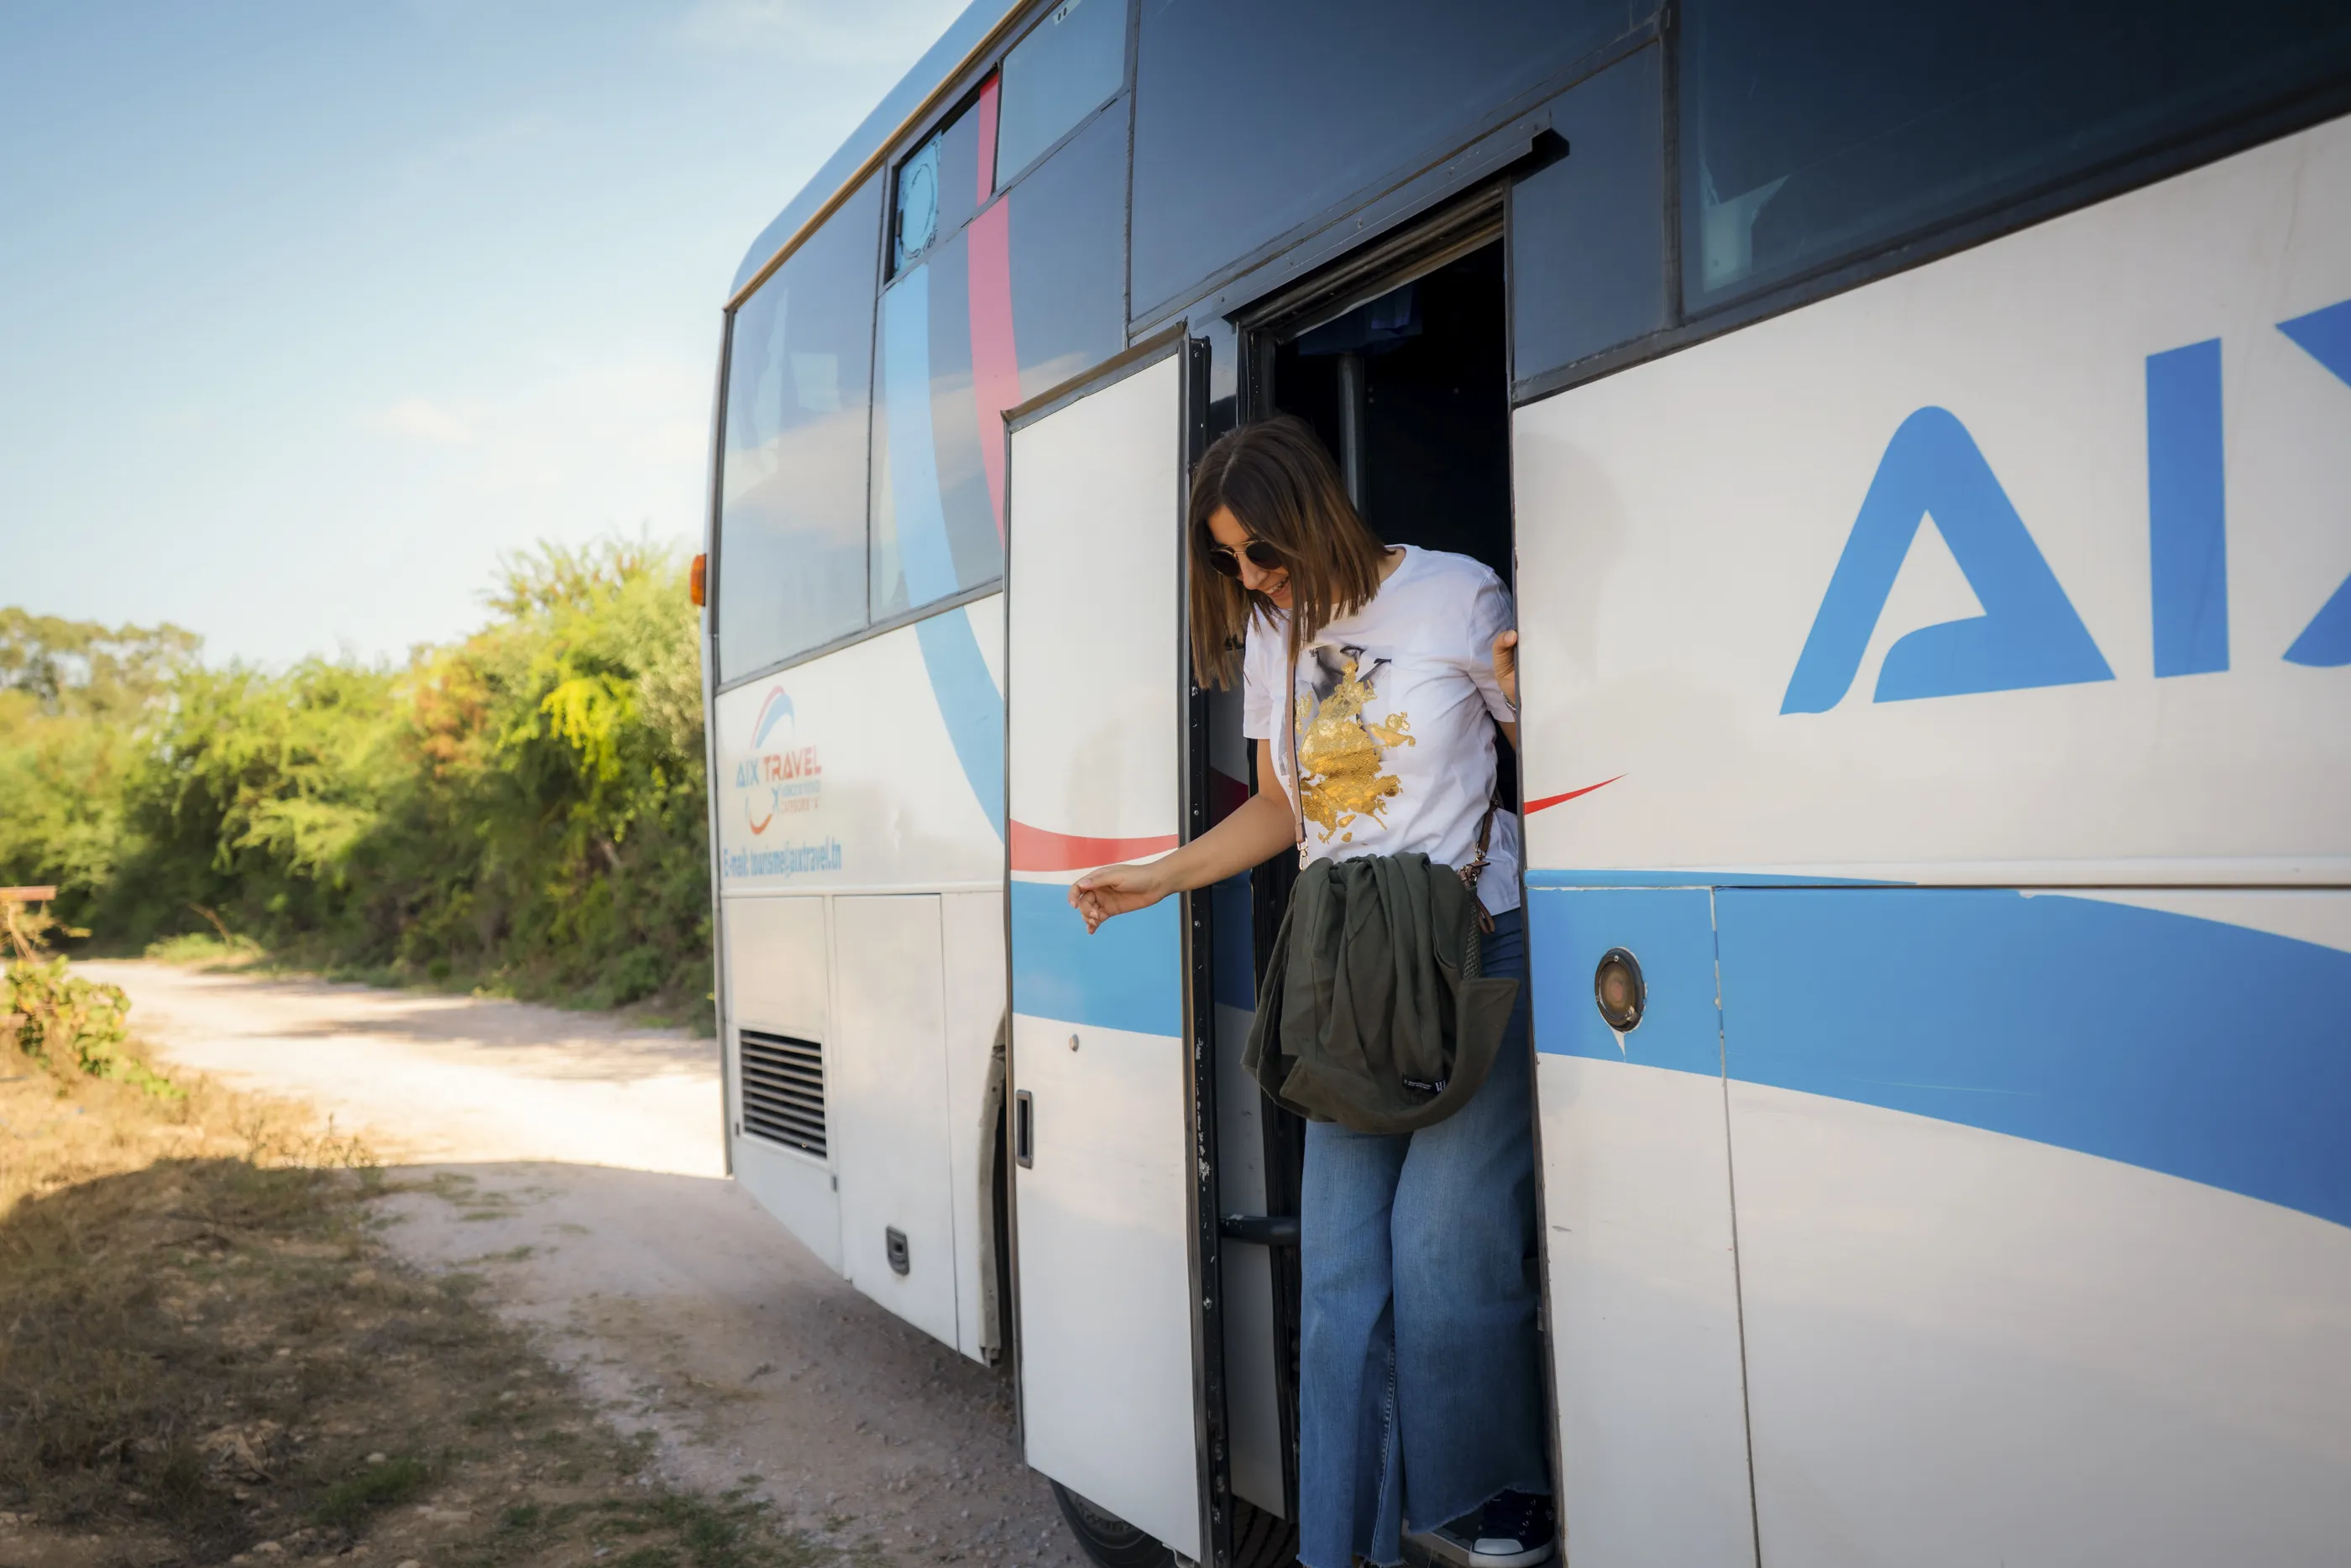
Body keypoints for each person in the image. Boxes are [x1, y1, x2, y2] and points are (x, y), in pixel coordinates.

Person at [1068, 416, 1552, 1568]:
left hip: (1469, 949)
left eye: (1262, 554)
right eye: (1231, 560)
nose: (1250, 578)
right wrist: (1157, 876)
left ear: (1313, 514)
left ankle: (1496, 1497)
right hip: (1347, 970)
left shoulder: (1455, 595)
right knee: (1339, 1287)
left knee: (1446, 1258)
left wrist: (1540, 695)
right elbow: (1285, 807)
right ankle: (1338, 1549)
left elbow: (1542, 748)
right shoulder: (1277, 632)